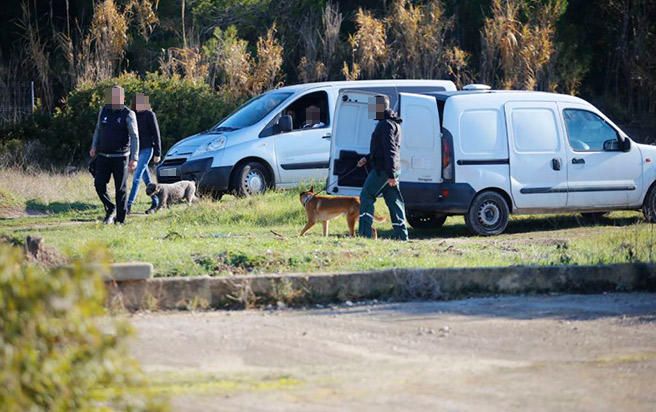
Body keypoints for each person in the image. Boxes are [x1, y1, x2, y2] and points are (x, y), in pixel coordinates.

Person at [356, 95, 408, 241]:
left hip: (383, 170)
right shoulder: (393, 123)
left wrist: (390, 175)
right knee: (394, 201)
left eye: (373, 107)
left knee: (366, 196)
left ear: (380, 107)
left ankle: (364, 234)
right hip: (392, 169)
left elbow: (390, 150)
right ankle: (402, 236)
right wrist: (367, 158)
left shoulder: (385, 125)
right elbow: (382, 148)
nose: (370, 110)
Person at [90, 86, 138, 224]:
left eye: (118, 96)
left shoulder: (128, 114)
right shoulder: (104, 110)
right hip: (103, 156)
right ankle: (110, 208)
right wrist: (94, 146)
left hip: (121, 157)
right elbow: (98, 130)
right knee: (99, 184)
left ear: (123, 98)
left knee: (120, 189)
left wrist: (134, 158)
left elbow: (135, 137)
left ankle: (121, 220)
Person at [127, 93, 162, 214]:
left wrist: (158, 153)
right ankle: (156, 201)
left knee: (136, 177)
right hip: (136, 151)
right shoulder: (132, 115)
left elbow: (156, 134)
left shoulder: (150, 115)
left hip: (147, 149)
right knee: (146, 178)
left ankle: (128, 205)